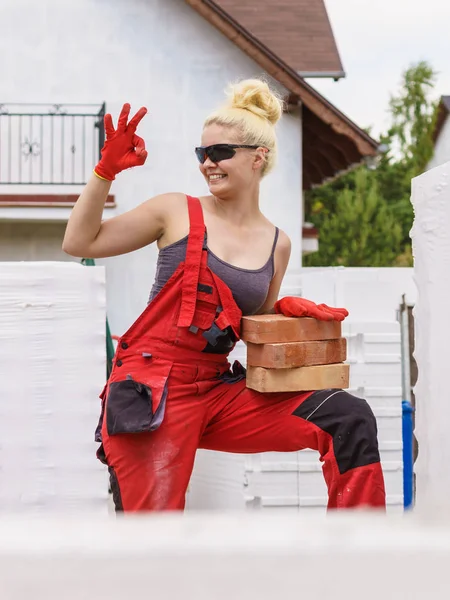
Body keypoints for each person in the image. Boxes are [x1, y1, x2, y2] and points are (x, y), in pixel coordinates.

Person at [62, 79, 386, 512]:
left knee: (347, 416)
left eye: (220, 153)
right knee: (152, 541)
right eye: (202, 154)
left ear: (258, 158)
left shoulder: (278, 244)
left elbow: (255, 316)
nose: (207, 164)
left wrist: (284, 309)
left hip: (219, 391)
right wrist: (105, 173)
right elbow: (79, 242)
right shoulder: (175, 211)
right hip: (154, 393)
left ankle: (360, 551)